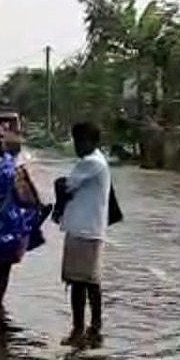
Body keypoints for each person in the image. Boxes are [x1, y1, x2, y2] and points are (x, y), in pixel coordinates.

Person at [0, 125, 51, 329]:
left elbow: (20, 190)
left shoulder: (10, 162)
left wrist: (36, 205)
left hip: (10, 220)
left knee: (5, 265)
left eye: (0, 138)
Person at [56, 121, 112, 344]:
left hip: (84, 230)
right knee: (89, 282)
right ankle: (94, 327)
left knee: (79, 283)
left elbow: (67, 186)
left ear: (93, 143)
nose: (77, 146)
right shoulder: (96, 162)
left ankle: (79, 329)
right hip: (89, 229)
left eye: (80, 141)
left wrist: (60, 184)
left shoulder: (90, 163)